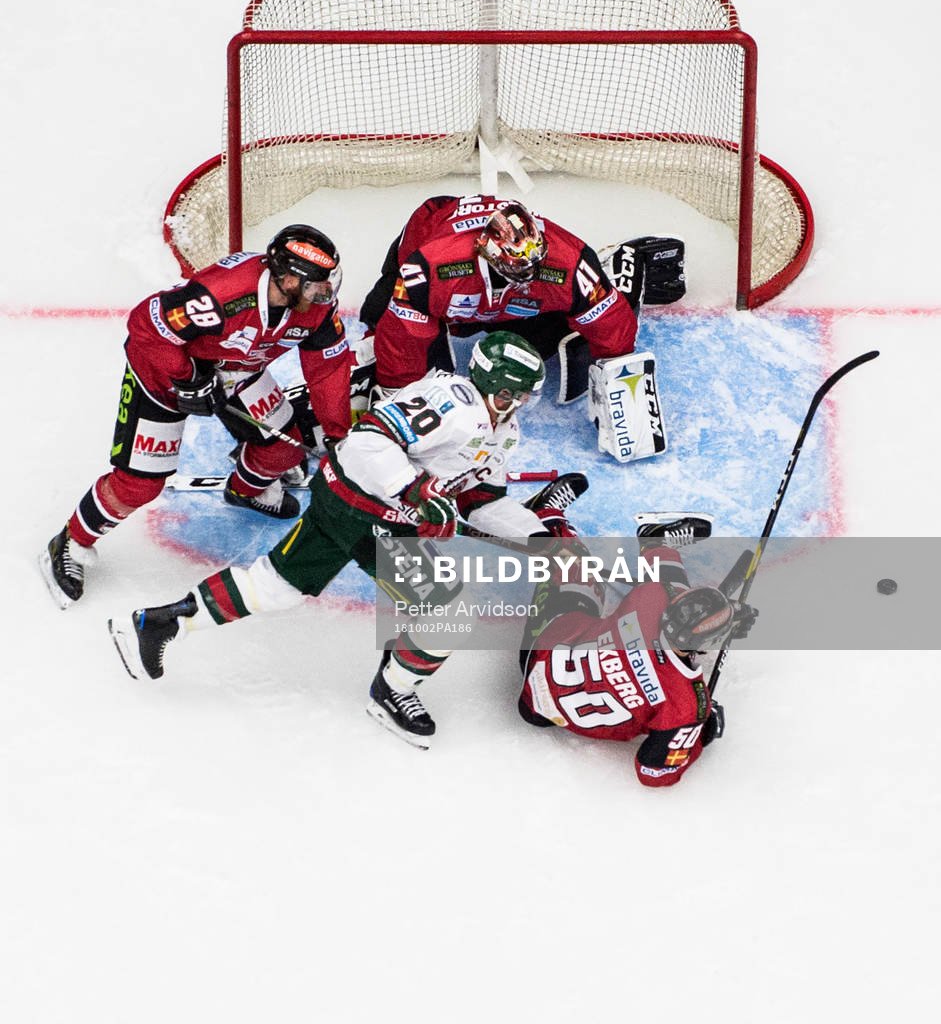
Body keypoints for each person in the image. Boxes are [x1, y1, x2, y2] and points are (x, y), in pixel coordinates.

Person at [107, 333, 588, 747]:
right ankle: (393, 690)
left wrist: (539, 536)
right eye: (509, 395)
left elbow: (481, 499)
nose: (516, 406)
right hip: (369, 510)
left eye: (523, 398)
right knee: (448, 612)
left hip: (350, 502)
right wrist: (417, 491)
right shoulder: (454, 404)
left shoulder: (503, 431)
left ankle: (159, 623)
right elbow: (366, 441)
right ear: (486, 383)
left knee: (275, 587)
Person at [40, 225, 351, 609]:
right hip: (165, 377)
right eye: (314, 285)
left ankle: (245, 491)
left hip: (236, 370)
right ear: (286, 278)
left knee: (283, 451)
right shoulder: (223, 294)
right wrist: (187, 378)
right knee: (139, 485)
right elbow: (145, 325)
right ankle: (71, 541)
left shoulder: (315, 309)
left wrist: (339, 434)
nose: (323, 293)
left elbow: (329, 367)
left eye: (326, 282)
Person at [353, 193, 684, 407]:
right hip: (433, 238)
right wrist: (399, 396)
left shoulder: (568, 261)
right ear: (489, 254)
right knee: (379, 318)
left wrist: (617, 370)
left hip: (510, 307)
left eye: (532, 266)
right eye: (516, 268)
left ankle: (609, 267)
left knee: (541, 341)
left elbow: (611, 323)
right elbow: (403, 339)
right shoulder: (428, 267)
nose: (527, 275)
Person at [517, 514, 756, 787]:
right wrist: (702, 731)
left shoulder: (652, 598)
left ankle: (550, 520)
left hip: (538, 661)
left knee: (574, 564)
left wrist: (656, 547)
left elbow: (667, 579)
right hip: (542, 712)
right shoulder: (686, 706)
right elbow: (652, 773)